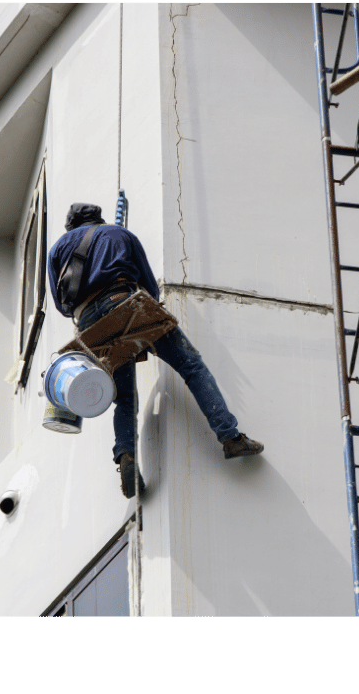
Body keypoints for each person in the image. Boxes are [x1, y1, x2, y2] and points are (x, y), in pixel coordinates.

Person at [47, 203, 263, 499]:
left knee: (123, 396)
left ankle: (126, 456)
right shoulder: (119, 234)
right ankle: (230, 437)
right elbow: (149, 284)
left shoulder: (58, 249)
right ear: (99, 219)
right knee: (191, 367)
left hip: (90, 327)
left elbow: (62, 306)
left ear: (71, 227)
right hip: (125, 303)